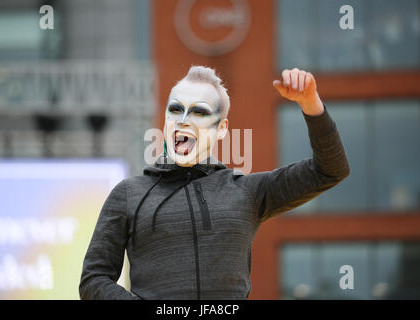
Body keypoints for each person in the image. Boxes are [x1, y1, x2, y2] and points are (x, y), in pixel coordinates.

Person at [79, 65, 350, 299]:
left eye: (198, 112)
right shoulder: (129, 193)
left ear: (221, 129)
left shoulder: (247, 191)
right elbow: (94, 279)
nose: (183, 121)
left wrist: (310, 103)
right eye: (175, 109)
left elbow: (330, 169)